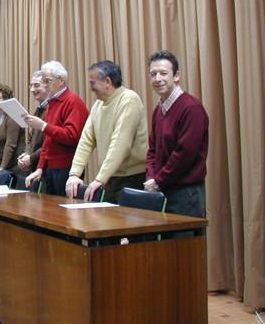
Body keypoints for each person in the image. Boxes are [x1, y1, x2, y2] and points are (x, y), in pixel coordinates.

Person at [65, 60, 148, 203]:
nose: (90, 88)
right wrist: (74, 174)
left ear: (107, 82)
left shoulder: (128, 99)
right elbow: (86, 140)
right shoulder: (98, 105)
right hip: (110, 178)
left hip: (131, 178)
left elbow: (120, 144)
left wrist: (100, 179)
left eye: (92, 83)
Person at [145, 50, 209, 226]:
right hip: (161, 189)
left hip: (185, 194)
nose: (158, 79)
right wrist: (151, 178)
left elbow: (184, 155)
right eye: (153, 74)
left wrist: (158, 181)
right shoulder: (159, 110)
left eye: (163, 73)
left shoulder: (191, 108)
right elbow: (152, 149)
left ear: (176, 76)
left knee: (184, 242)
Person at [24, 62, 89, 196]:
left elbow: (71, 136)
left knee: (63, 208)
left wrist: (43, 126)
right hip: (50, 168)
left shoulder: (73, 102)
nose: (45, 86)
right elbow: (47, 142)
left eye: (48, 81)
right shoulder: (52, 103)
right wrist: (40, 167)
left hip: (66, 167)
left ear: (61, 80)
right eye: (43, 81)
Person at [17, 71, 49, 176]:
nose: (32, 90)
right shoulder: (39, 108)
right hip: (36, 166)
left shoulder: (51, 109)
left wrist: (31, 158)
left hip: (47, 167)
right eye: (31, 85)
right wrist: (26, 154)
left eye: (36, 85)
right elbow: (31, 137)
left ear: (47, 85)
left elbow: (48, 143)